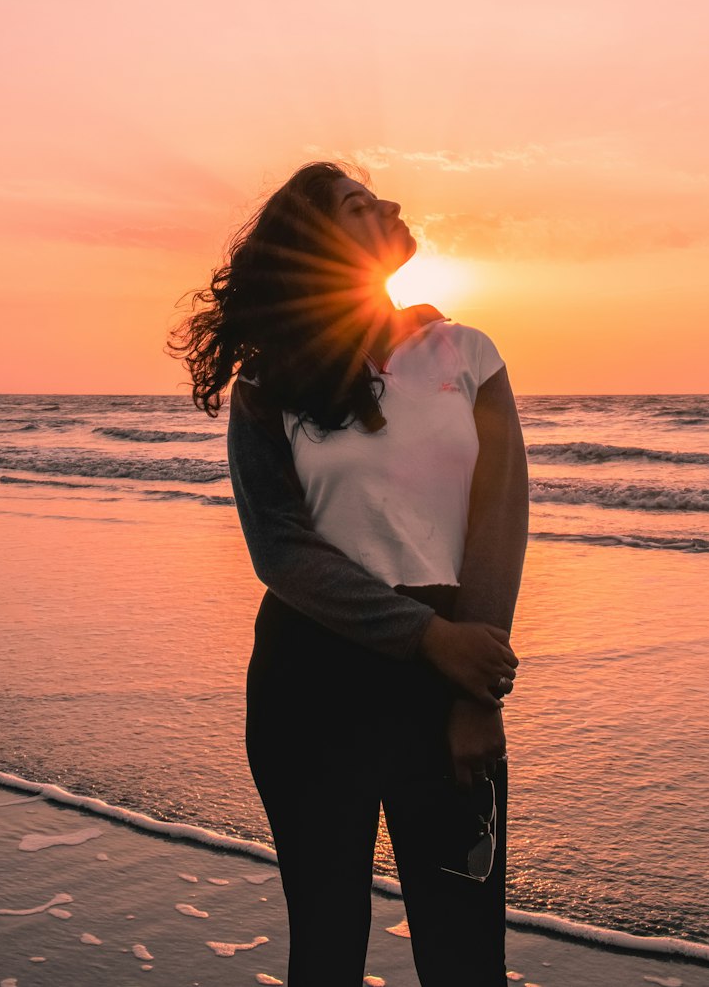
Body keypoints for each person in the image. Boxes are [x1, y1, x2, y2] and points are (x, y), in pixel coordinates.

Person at [168, 160, 529, 986]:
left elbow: (497, 524)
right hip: (311, 684)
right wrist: (428, 638)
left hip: (448, 686)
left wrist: (475, 689)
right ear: (323, 244)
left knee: (466, 954)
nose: (392, 207)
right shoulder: (270, 383)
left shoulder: (467, 353)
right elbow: (282, 553)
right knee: (327, 948)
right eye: (361, 205)